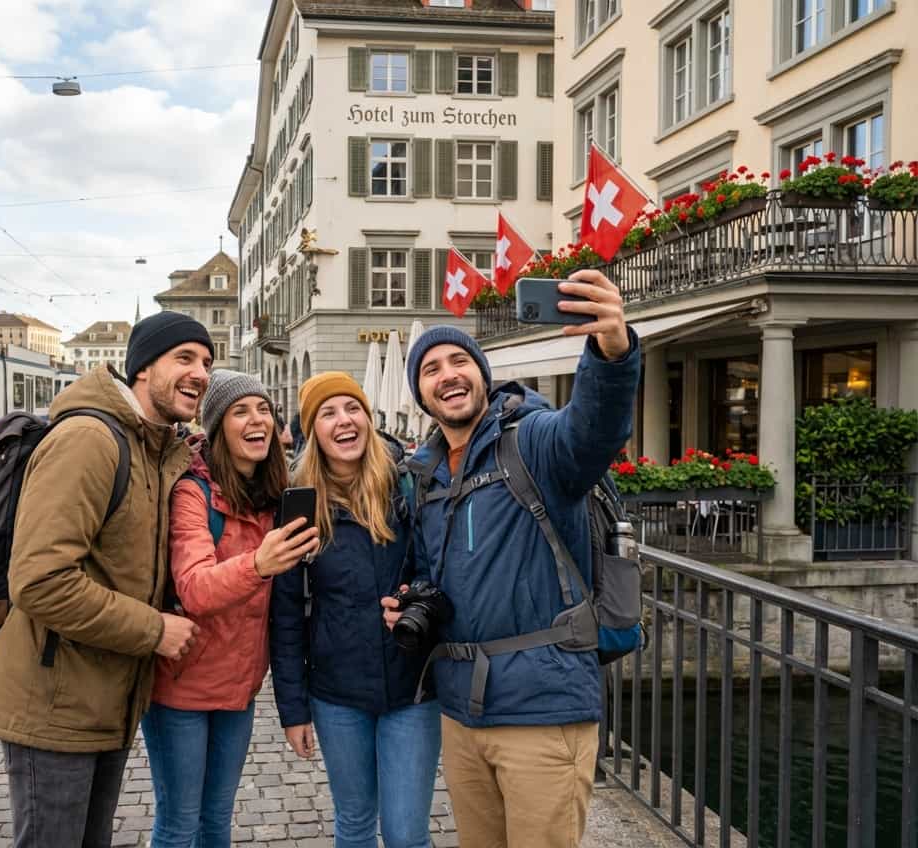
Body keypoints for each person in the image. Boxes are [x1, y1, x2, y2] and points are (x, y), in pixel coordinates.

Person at [387, 270, 640, 848]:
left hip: (542, 710)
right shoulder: (423, 476)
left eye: (459, 362)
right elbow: (435, 576)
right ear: (420, 393)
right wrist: (409, 604)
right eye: (430, 369)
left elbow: (594, 429)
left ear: (482, 373)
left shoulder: (533, 441)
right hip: (461, 712)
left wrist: (611, 351)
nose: (447, 375)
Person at [0, 311, 214, 848]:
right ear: (141, 370)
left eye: (206, 361)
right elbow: (40, 580)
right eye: (184, 357)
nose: (200, 372)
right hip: (55, 700)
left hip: (103, 698)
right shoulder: (91, 438)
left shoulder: (154, 447)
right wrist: (154, 629)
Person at [143, 370, 319, 848]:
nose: (257, 418)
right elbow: (196, 588)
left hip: (238, 690)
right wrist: (260, 563)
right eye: (241, 411)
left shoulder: (275, 498)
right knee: (179, 824)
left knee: (217, 820)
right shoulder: (192, 492)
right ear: (218, 427)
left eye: (263, 409)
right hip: (181, 688)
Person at [271, 372, 438, 848]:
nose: (343, 421)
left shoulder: (407, 488)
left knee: (407, 835)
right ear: (313, 432)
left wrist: (416, 600)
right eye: (328, 413)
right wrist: (292, 710)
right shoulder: (299, 507)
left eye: (352, 409)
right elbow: (285, 616)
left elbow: (438, 572)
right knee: (356, 824)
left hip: (413, 689)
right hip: (336, 694)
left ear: (367, 417)